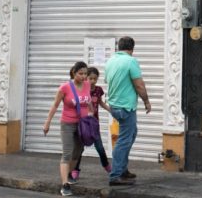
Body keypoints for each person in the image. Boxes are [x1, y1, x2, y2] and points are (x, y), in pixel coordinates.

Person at [105, 36, 151, 187]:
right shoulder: (131, 61)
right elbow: (139, 85)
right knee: (124, 140)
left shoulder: (110, 61)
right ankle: (116, 174)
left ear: (119, 47)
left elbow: (109, 81)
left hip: (114, 106)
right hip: (126, 107)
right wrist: (146, 101)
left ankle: (122, 169)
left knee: (131, 134)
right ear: (132, 48)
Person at [43, 61, 93, 197]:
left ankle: (69, 174)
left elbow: (88, 103)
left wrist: (91, 117)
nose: (83, 76)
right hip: (67, 124)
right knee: (67, 153)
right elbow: (55, 105)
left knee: (78, 151)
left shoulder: (87, 85)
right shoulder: (65, 88)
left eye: (85, 74)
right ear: (74, 73)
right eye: (80, 74)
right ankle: (65, 185)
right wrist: (47, 122)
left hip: (82, 124)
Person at [69, 67, 111, 181]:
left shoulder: (98, 90)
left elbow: (100, 102)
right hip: (82, 124)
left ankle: (107, 167)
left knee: (100, 148)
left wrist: (109, 109)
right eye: (90, 78)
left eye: (95, 79)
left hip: (93, 124)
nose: (92, 81)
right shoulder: (81, 89)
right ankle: (75, 170)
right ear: (86, 78)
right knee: (80, 149)